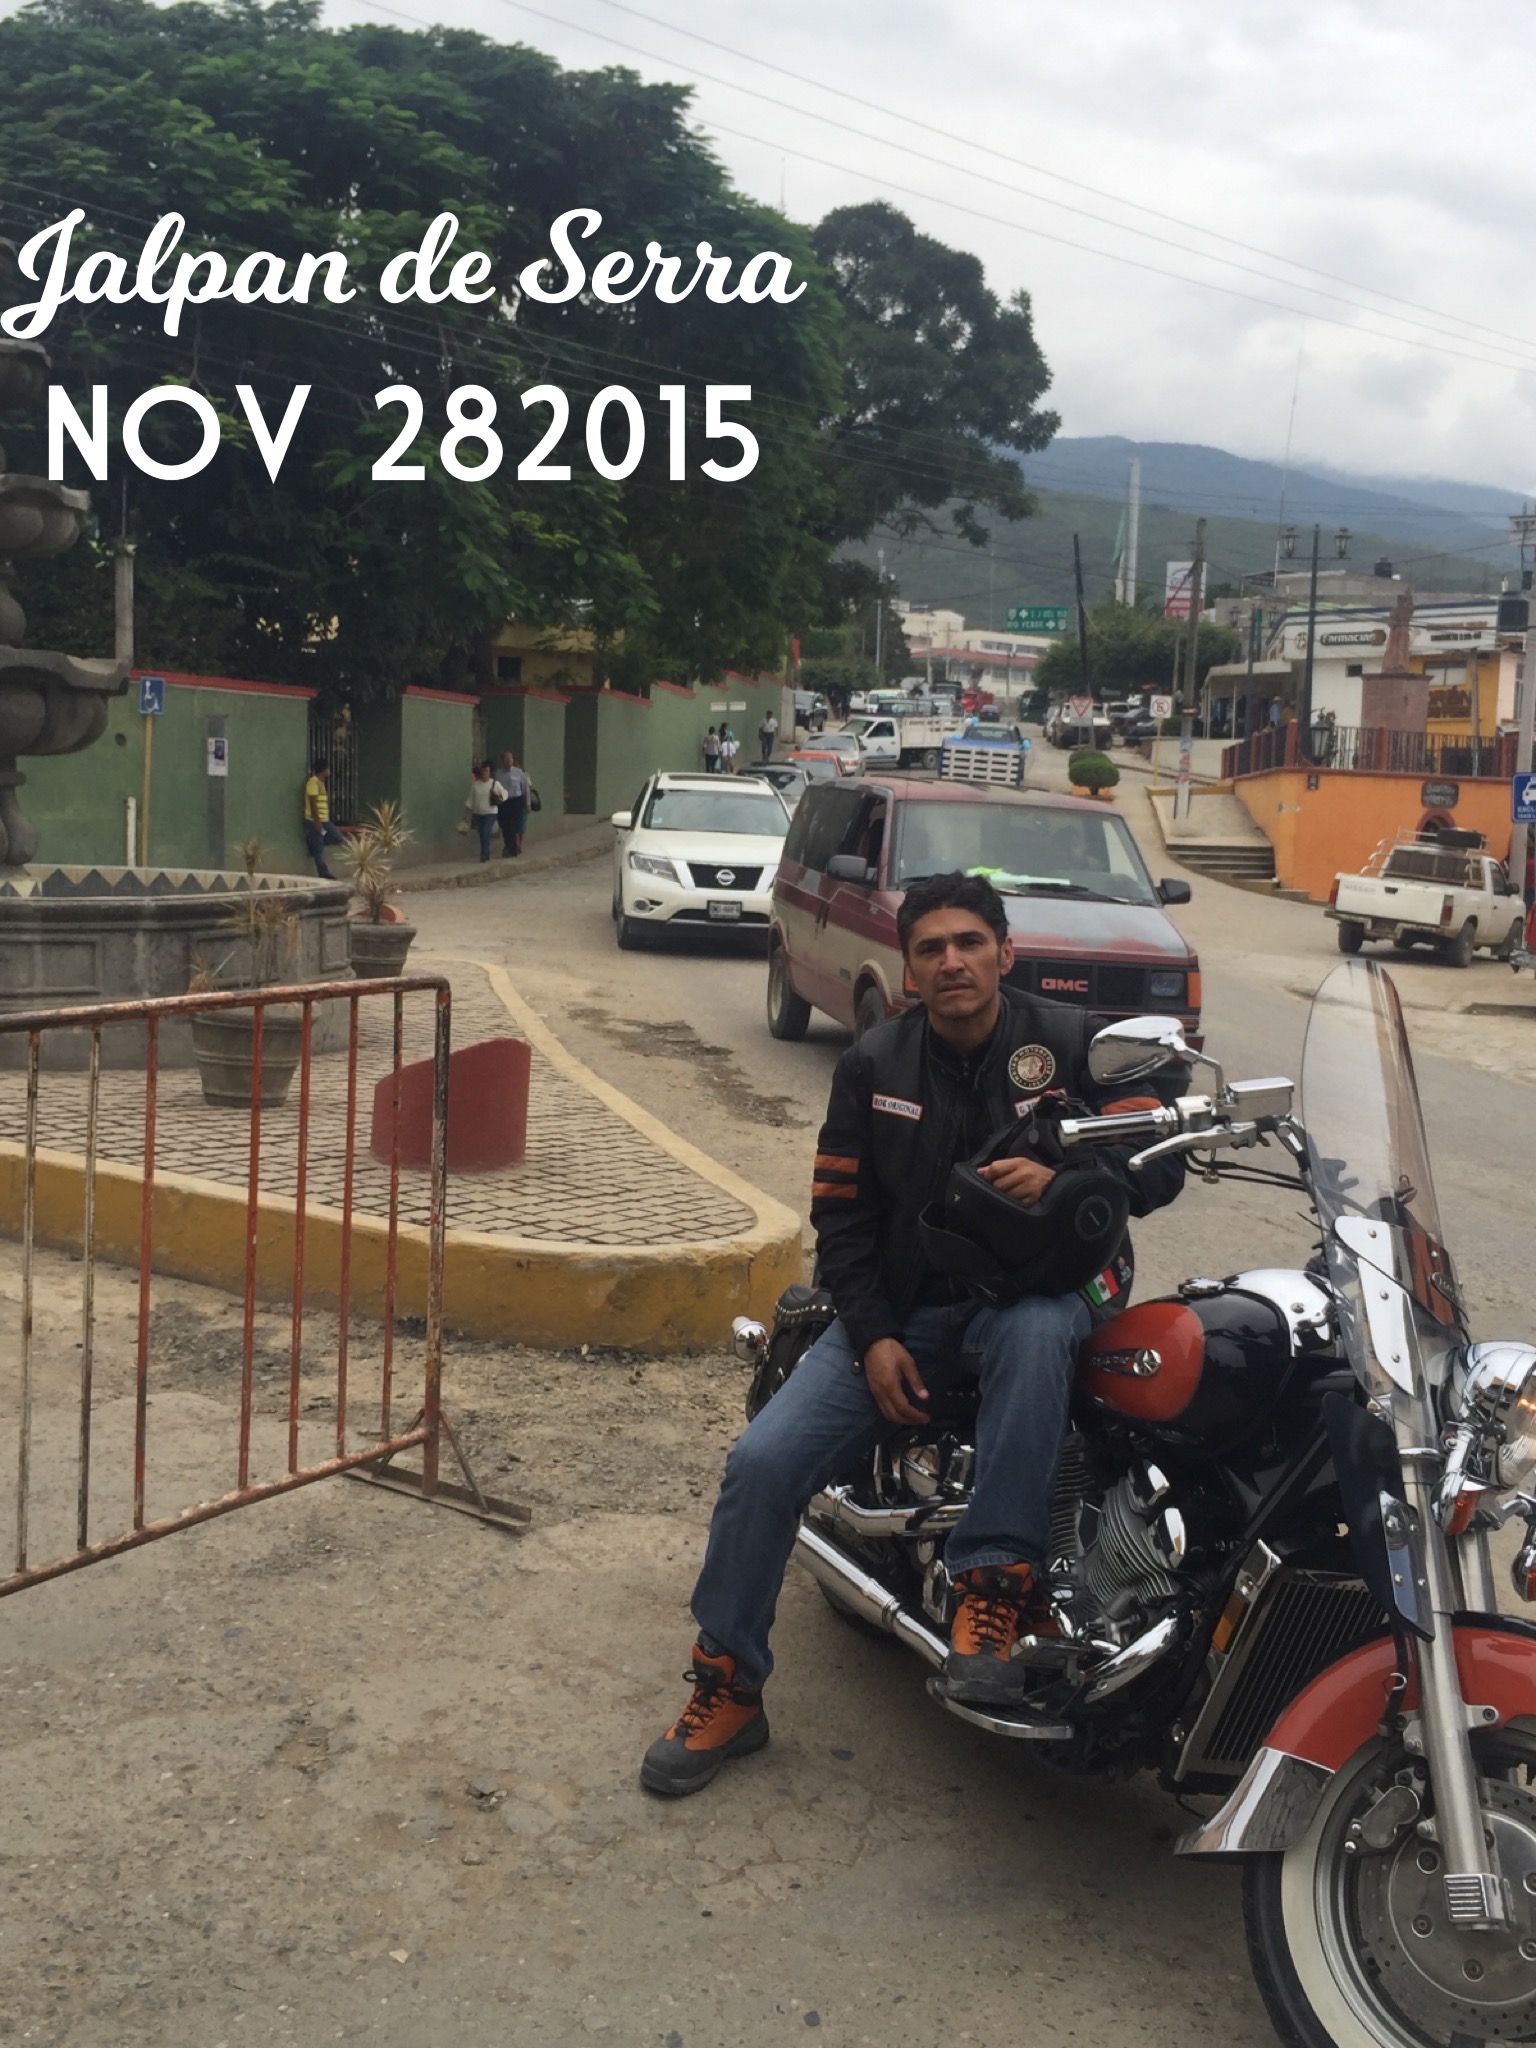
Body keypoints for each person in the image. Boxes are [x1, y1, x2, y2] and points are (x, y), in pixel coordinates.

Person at [640, 870, 1186, 1797]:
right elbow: (842, 1217)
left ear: (1006, 952)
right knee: (762, 1464)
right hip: (904, 1314)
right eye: (930, 948)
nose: (951, 962)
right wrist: (875, 1337)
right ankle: (728, 1686)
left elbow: (1160, 1142)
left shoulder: (1069, 1044)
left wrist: (1073, 1176)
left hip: (1031, 1299)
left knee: (1040, 1329)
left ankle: (992, 1592)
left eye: (970, 942)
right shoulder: (874, 1064)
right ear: (909, 969)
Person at [302, 763, 344, 879]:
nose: (329, 771)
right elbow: (313, 803)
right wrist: (317, 821)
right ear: (324, 770)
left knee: (338, 838)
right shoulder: (313, 782)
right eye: (328, 769)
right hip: (315, 820)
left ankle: (313, 842)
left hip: (325, 820)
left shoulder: (321, 783)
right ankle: (323, 872)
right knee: (319, 849)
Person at [464, 761, 504, 863]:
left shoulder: (495, 784)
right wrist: (466, 815)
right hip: (478, 814)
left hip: (490, 813)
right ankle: (486, 850)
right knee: (482, 833)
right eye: (482, 771)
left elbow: (503, 795)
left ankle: (484, 854)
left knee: (486, 831)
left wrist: (498, 794)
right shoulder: (475, 785)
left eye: (486, 771)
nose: (484, 773)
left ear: (489, 772)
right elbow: (470, 800)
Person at [497, 750, 530, 857]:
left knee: (514, 825)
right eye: (506, 758)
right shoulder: (498, 773)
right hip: (504, 802)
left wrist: (527, 803)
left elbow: (525, 788)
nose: (508, 760)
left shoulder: (519, 772)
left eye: (510, 758)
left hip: (516, 801)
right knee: (505, 825)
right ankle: (512, 848)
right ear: (503, 760)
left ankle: (508, 848)